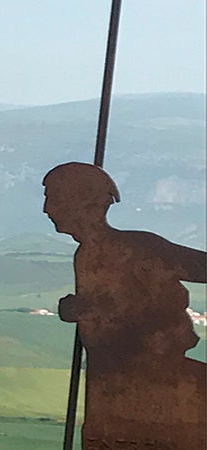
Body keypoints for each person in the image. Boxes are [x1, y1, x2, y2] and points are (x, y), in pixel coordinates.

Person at [43, 162, 205, 449]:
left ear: (79, 202)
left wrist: (101, 308)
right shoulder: (86, 255)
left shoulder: (140, 248)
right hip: (111, 389)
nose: (46, 209)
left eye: (52, 198)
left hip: (153, 389)